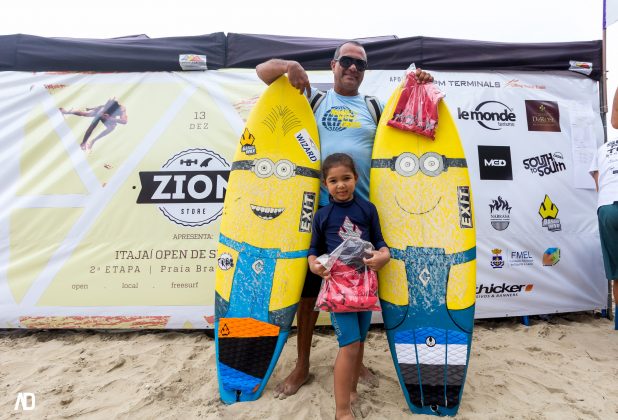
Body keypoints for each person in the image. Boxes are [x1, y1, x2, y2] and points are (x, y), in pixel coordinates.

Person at [256, 41, 433, 397]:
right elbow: (262, 72)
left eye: (360, 65)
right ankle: (302, 365)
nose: (353, 68)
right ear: (333, 64)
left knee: (361, 294)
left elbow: (412, 129)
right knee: (307, 295)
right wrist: (288, 63)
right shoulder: (315, 100)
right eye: (347, 62)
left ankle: (357, 360)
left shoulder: (374, 106)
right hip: (318, 217)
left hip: (361, 216)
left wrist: (422, 85)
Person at [308, 153, 390, 420]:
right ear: (324, 184)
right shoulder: (322, 215)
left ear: (356, 178)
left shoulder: (368, 209)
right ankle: (342, 410)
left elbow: (379, 241)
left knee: (361, 341)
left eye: (346, 178)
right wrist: (313, 264)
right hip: (338, 287)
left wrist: (384, 256)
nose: (340, 185)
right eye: (333, 181)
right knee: (349, 345)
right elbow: (313, 250)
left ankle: (352, 390)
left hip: (365, 283)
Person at [590, 87, 618, 324]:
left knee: (617, 272)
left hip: (608, 205)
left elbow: (597, 180)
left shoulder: (604, 149)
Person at [60, 97, 128, 151]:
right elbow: (91, 127)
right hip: (100, 112)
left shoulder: (122, 109)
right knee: (84, 114)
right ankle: (66, 112)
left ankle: (93, 141)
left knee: (111, 128)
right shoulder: (102, 110)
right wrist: (83, 143)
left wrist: (111, 118)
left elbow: (124, 121)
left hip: (108, 116)